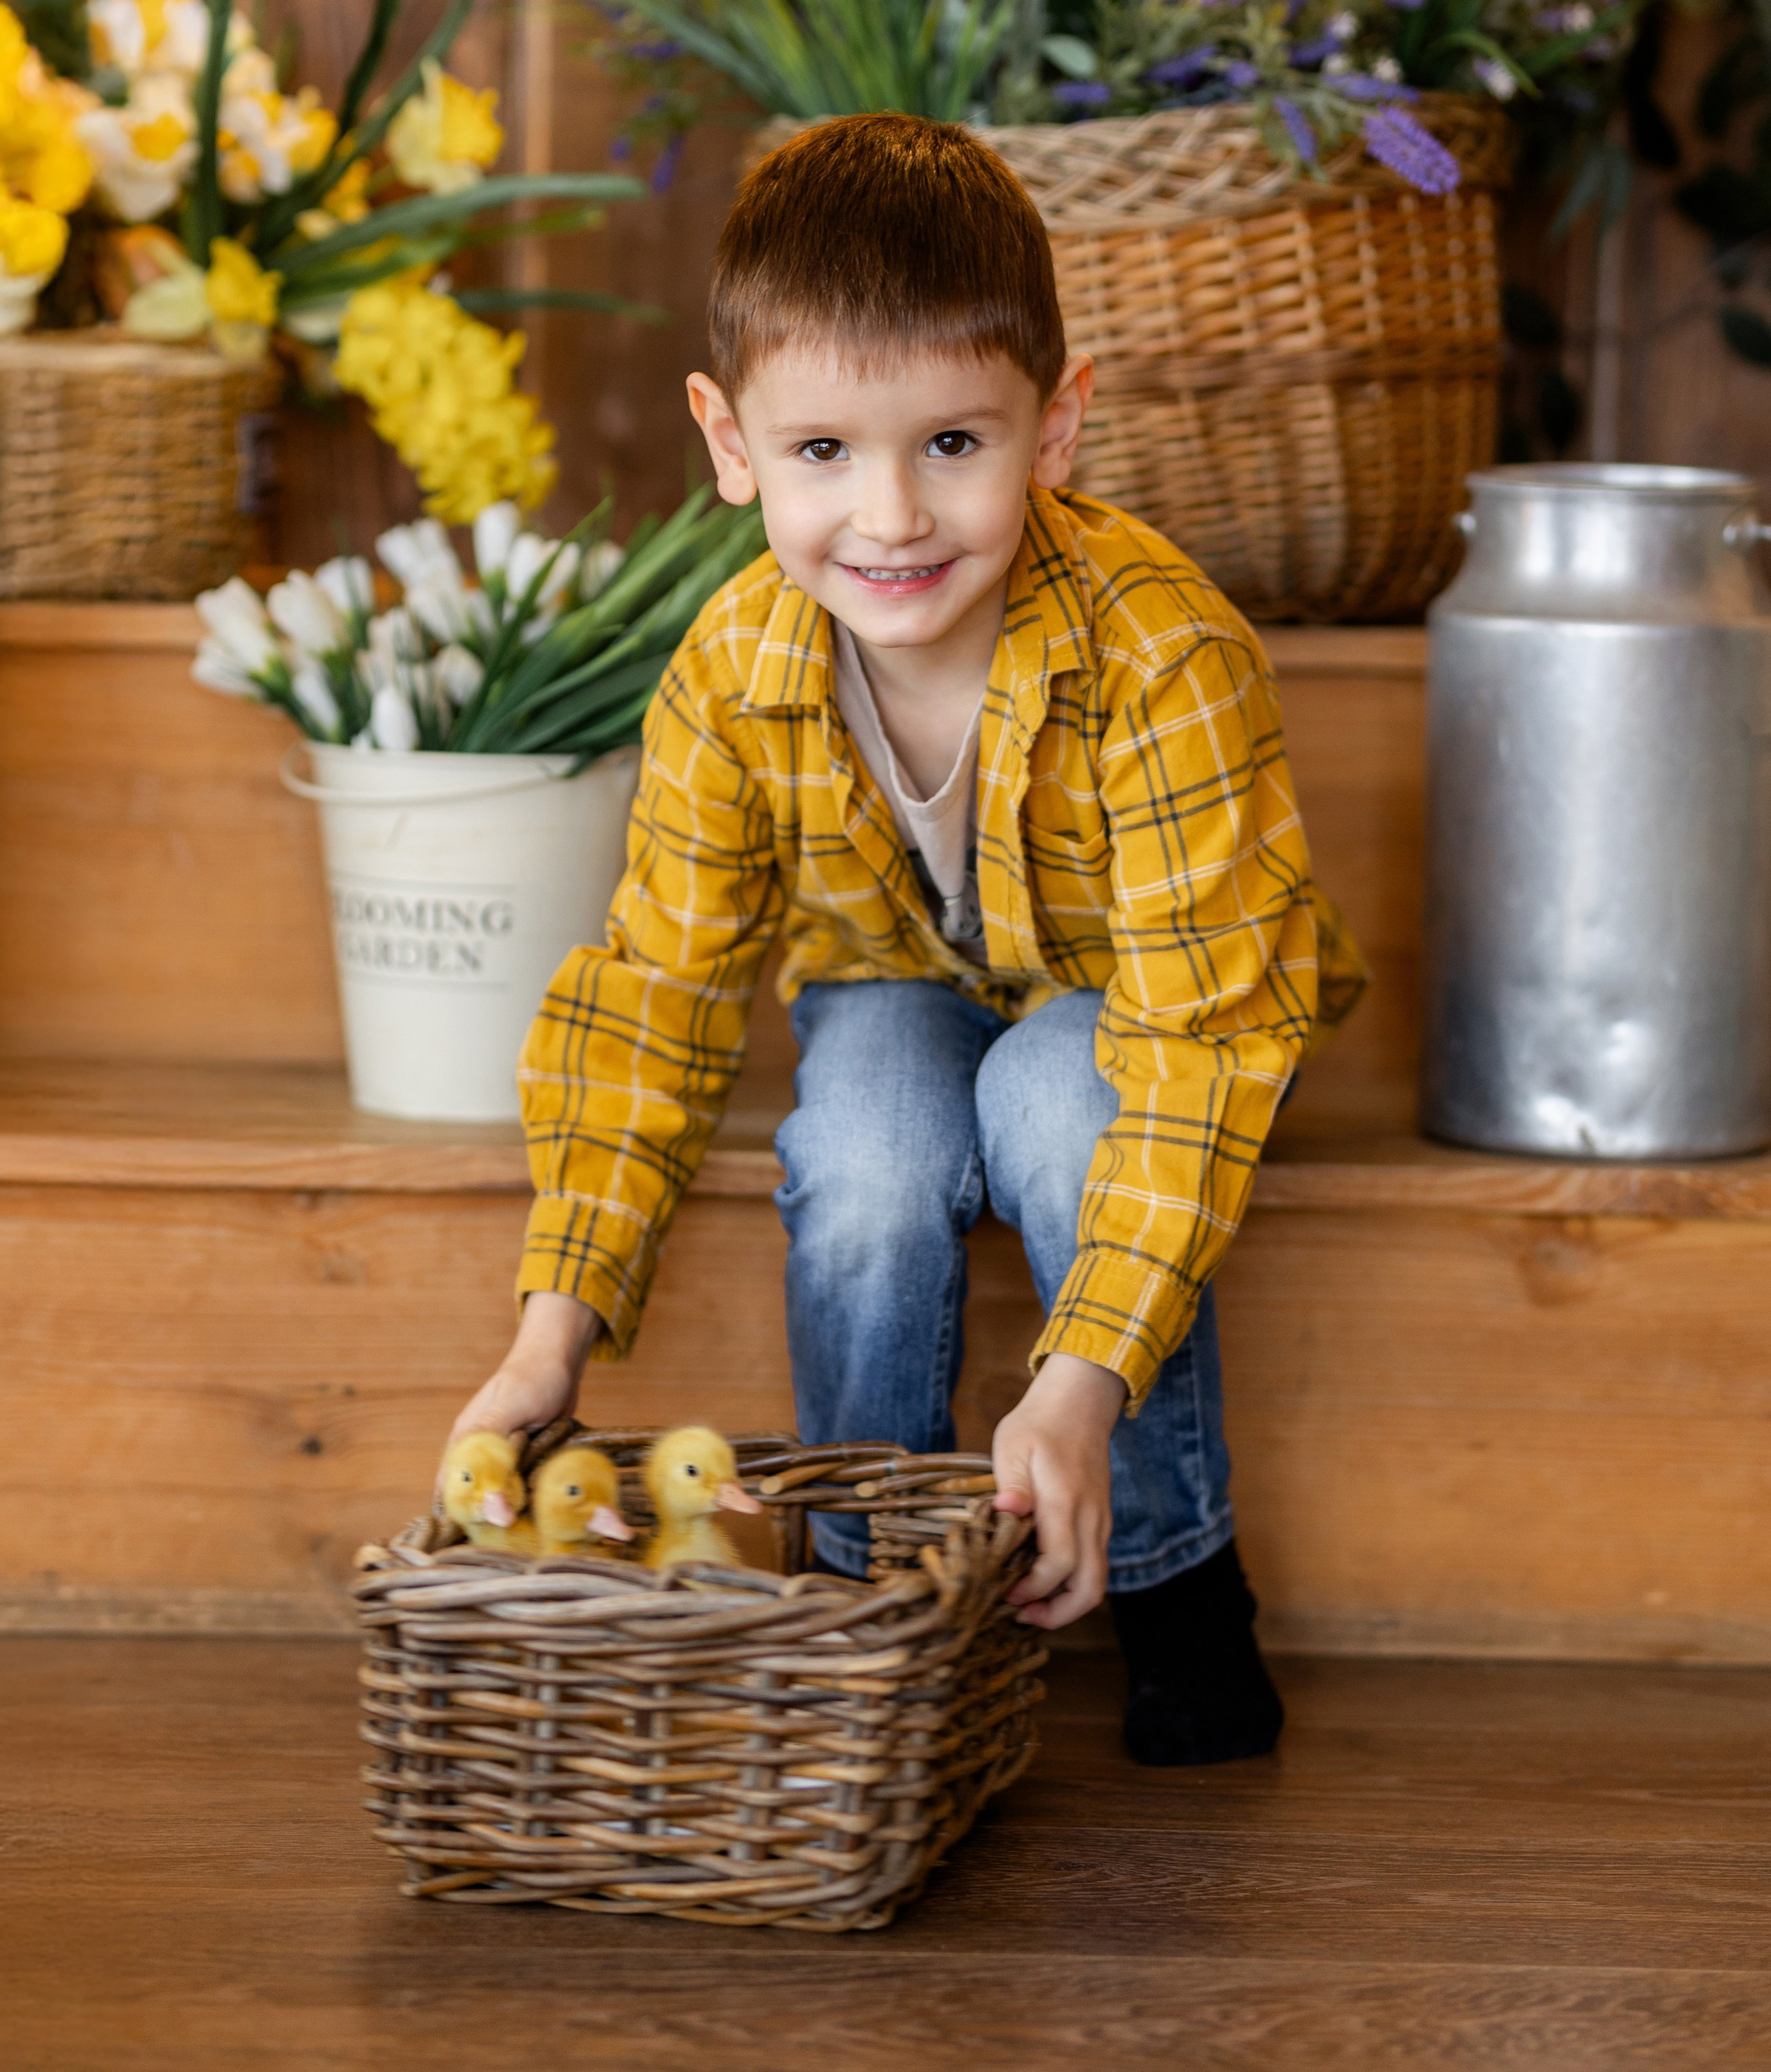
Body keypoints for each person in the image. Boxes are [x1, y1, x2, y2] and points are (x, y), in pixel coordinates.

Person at [450, 112, 1363, 1766]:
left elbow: (1198, 1040)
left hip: (1148, 1015)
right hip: (898, 980)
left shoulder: (1161, 656)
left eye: (951, 442)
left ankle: (1173, 1576)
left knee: (1056, 1104)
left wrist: (1078, 1380)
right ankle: (866, 1609)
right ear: (728, 443)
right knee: (865, 1148)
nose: (887, 516)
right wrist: (549, 1332)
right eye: (820, 454)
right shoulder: (730, 671)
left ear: (1054, 424)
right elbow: (655, 998)